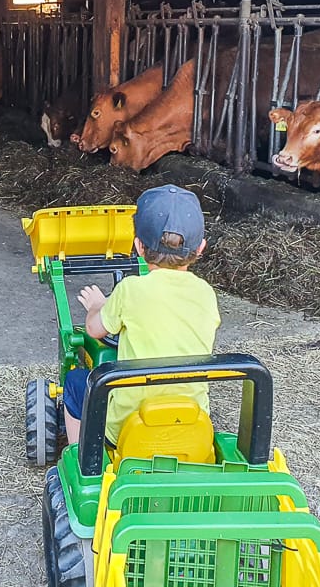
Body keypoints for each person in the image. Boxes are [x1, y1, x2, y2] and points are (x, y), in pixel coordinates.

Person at [62, 184, 221, 446]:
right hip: (193, 423)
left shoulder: (129, 290)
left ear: (138, 246)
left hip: (127, 428)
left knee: (77, 381)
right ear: (201, 248)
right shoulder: (206, 293)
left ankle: (81, 463)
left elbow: (94, 330)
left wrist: (97, 305)